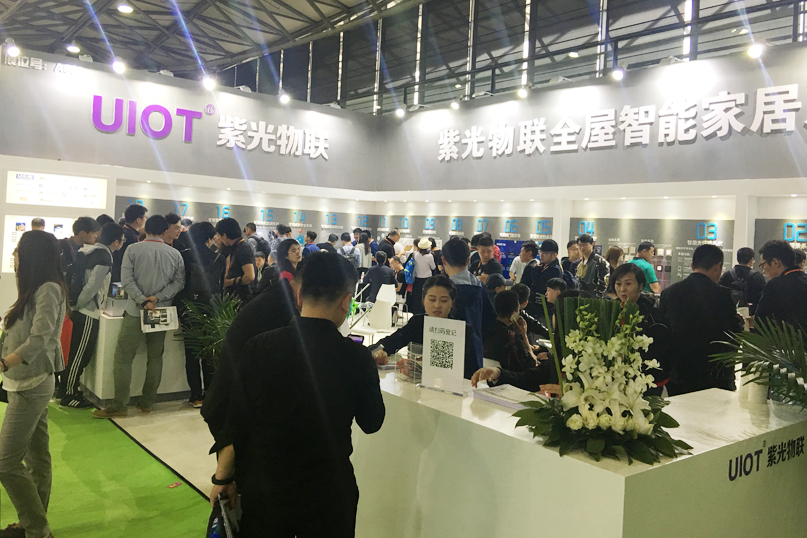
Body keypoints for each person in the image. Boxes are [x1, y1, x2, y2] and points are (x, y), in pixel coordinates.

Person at [211, 253, 385, 537]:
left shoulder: (258, 347)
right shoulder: (356, 357)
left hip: (266, 490)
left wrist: (222, 479)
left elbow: (236, 422)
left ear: (299, 295)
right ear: (346, 301)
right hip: (328, 494)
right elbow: (372, 422)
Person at [0, 232, 68, 538]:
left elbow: (40, 338)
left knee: (6, 463)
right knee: (37, 458)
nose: (14, 256)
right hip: (24, 382)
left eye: (17, 251)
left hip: (33, 382)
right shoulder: (33, 287)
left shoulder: (49, 288)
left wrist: (5, 363)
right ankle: (35, 526)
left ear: (31, 256)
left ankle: (37, 528)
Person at [202, 261, 302, 456]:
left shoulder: (276, 296)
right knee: (236, 467)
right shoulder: (281, 307)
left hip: (233, 402)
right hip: (232, 407)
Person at [93, 215, 185, 418]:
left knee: (123, 357)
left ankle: (120, 405)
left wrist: (143, 300)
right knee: (155, 357)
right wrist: (157, 298)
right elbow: (179, 283)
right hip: (160, 311)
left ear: (145, 229)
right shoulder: (175, 254)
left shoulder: (133, 250)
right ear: (164, 231)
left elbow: (126, 280)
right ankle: (147, 402)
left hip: (136, 310)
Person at [658, 244, 742, 396]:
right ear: (718, 266)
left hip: (679, 373)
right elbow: (731, 335)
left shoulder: (669, 293)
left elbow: (663, 332)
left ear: (692, 265)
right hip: (715, 375)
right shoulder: (723, 295)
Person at [60, 223, 125, 409]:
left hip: (78, 308)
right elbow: (93, 286)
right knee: (79, 355)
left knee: (75, 353)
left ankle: (67, 389)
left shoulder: (87, 251)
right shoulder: (104, 256)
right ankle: (69, 394)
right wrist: (79, 305)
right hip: (87, 311)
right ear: (116, 241)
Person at [371, 275, 477, 375]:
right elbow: (392, 341)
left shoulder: (463, 330)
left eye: (444, 300)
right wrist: (380, 350)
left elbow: (471, 370)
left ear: (452, 302)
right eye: (432, 300)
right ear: (423, 301)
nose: (437, 305)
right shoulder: (417, 322)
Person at [175, 222, 225, 408]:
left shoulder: (183, 255)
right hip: (211, 308)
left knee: (192, 353)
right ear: (210, 238)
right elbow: (220, 287)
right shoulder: (219, 258)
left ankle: (196, 395)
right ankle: (210, 394)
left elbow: (180, 283)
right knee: (209, 352)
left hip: (188, 308)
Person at [611, 263, 671, 395]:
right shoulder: (611, 310)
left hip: (645, 381)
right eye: (618, 283)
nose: (622, 289)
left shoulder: (653, 314)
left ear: (640, 286)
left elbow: (660, 352)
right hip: (616, 379)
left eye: (628, 284)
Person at [442, 237, 496, 372]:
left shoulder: (441, 289)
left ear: (443, 260)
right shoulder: (479, 286)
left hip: (446, 349)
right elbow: (490, 319)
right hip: (474, 351)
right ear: (468, 260)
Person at [755, 240, 807, 332]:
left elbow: (761, 323)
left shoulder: (774, 286)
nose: (763, 271)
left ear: (775, 262)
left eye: (763, 265)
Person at [483, 290, 538, 373]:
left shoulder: (485, 329)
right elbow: (531, 364)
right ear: (513, 314)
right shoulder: (511, 337)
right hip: (507, 377)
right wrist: (524, 335)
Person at [216, 218, 255, 304]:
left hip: (241, 298)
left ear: (224, 235)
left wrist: (229, 282)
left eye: (219, 235)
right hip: (235, 296)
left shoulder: (243, 248)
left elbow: (250, 276)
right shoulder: (235, 247)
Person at [718, 247, 767, 314]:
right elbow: (763, 298)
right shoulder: (757, 276)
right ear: (751, 260)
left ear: (738, 259)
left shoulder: (727, 275)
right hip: (750, 315)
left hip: (728, 314)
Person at [112, 204, 148, 282]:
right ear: (138, 220)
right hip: (122, 276)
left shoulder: (123, 232)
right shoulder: (131, 237)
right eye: (145, 217)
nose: (146, 220)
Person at [410, 238, 437, 315]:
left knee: (417, 296)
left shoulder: (415, 255)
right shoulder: (430, 256)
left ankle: (416, 312)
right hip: (427, 278)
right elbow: (433, 267)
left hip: (417, 278)